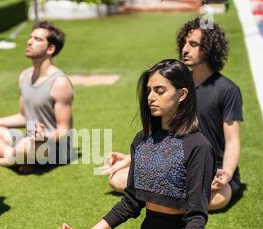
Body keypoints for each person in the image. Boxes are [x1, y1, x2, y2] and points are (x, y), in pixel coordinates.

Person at [55, 59, 216, 229]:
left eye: (160, 91)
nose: (151, 97)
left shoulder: (198, 146)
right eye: (149, 90)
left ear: (182, 94)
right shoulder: (142, 140)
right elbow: (130, 202)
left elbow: (197, 213)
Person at [103, 18, 243, 211]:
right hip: (177, 164)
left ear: (210, 47)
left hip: (213, 170)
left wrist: (226, 173)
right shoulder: (175, 86)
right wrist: (130, 158)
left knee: (218, 198)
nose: (185, 49)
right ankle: (173, 194)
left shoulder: (227, 90)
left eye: (193, 44)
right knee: (116, 178)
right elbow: (166, 133)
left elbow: (233, 140)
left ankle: (166, 195)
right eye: (184, 43)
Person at [0, 21, 75, 173]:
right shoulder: (25, 75)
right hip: (29, 139)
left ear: (50, 49)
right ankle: (16, 158)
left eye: (37, 39)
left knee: (25, 146)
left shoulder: (60, 83)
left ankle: (4, 160)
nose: (29, 42)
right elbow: (23, 117)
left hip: (53, 146)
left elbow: (64, 130)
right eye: (30, 38)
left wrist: (45, 136)